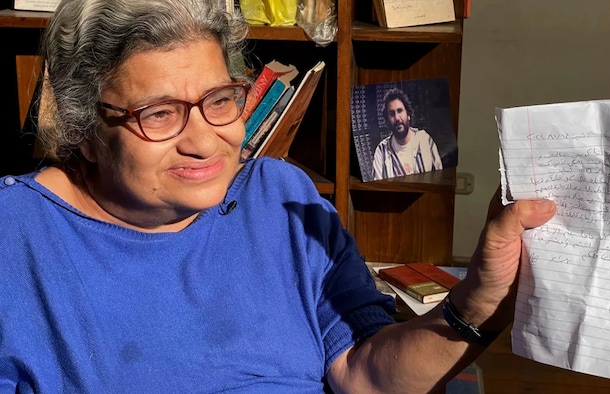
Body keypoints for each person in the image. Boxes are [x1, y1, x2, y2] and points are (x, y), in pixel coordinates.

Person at [0, 0, 556, 392]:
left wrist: (479, 301)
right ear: (83, 130)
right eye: (159, 114)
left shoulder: (284, 199)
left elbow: (365, 377)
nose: (205, 141)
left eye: (219, 100)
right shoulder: (16, 236)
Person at [372, 88, 444, 181]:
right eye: (392, 113)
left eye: (400, 111)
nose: (397, 118)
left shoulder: (424, 140)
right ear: (388, 120)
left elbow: (439, 178)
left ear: (408, 114)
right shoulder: (381, 151)